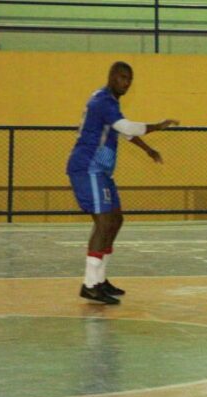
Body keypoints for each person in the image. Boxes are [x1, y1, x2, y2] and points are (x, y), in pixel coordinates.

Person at [66, 61, 179, 305]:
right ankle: (89, 285)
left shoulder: (109, 103)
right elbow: (127, 127)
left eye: (129, 79)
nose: (126, 83)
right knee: (104, 222)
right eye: (122, 77)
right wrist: (158, 126)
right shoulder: (103, 101)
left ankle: (100, 279)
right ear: (111, 77)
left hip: (102, 172)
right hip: (88, 167)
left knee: (115, 220)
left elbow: (123, 132)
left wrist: (148, 149)